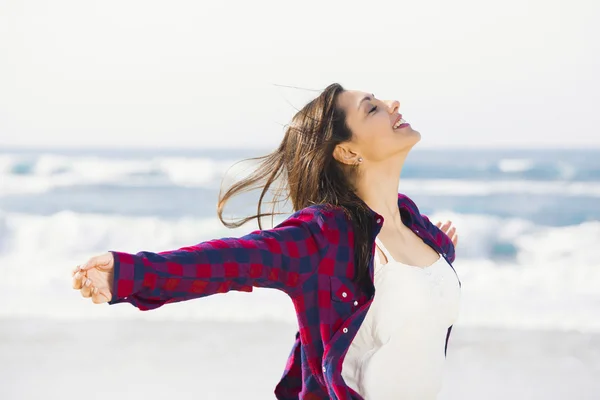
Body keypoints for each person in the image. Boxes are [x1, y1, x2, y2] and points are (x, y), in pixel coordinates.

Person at [71, 82, 460, 400]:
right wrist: (127, 273)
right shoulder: (323, 236)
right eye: (372, 109)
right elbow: (230, 262)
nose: (393, 103)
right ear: (347, 151)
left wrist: (442, 249)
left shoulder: (413, 222)